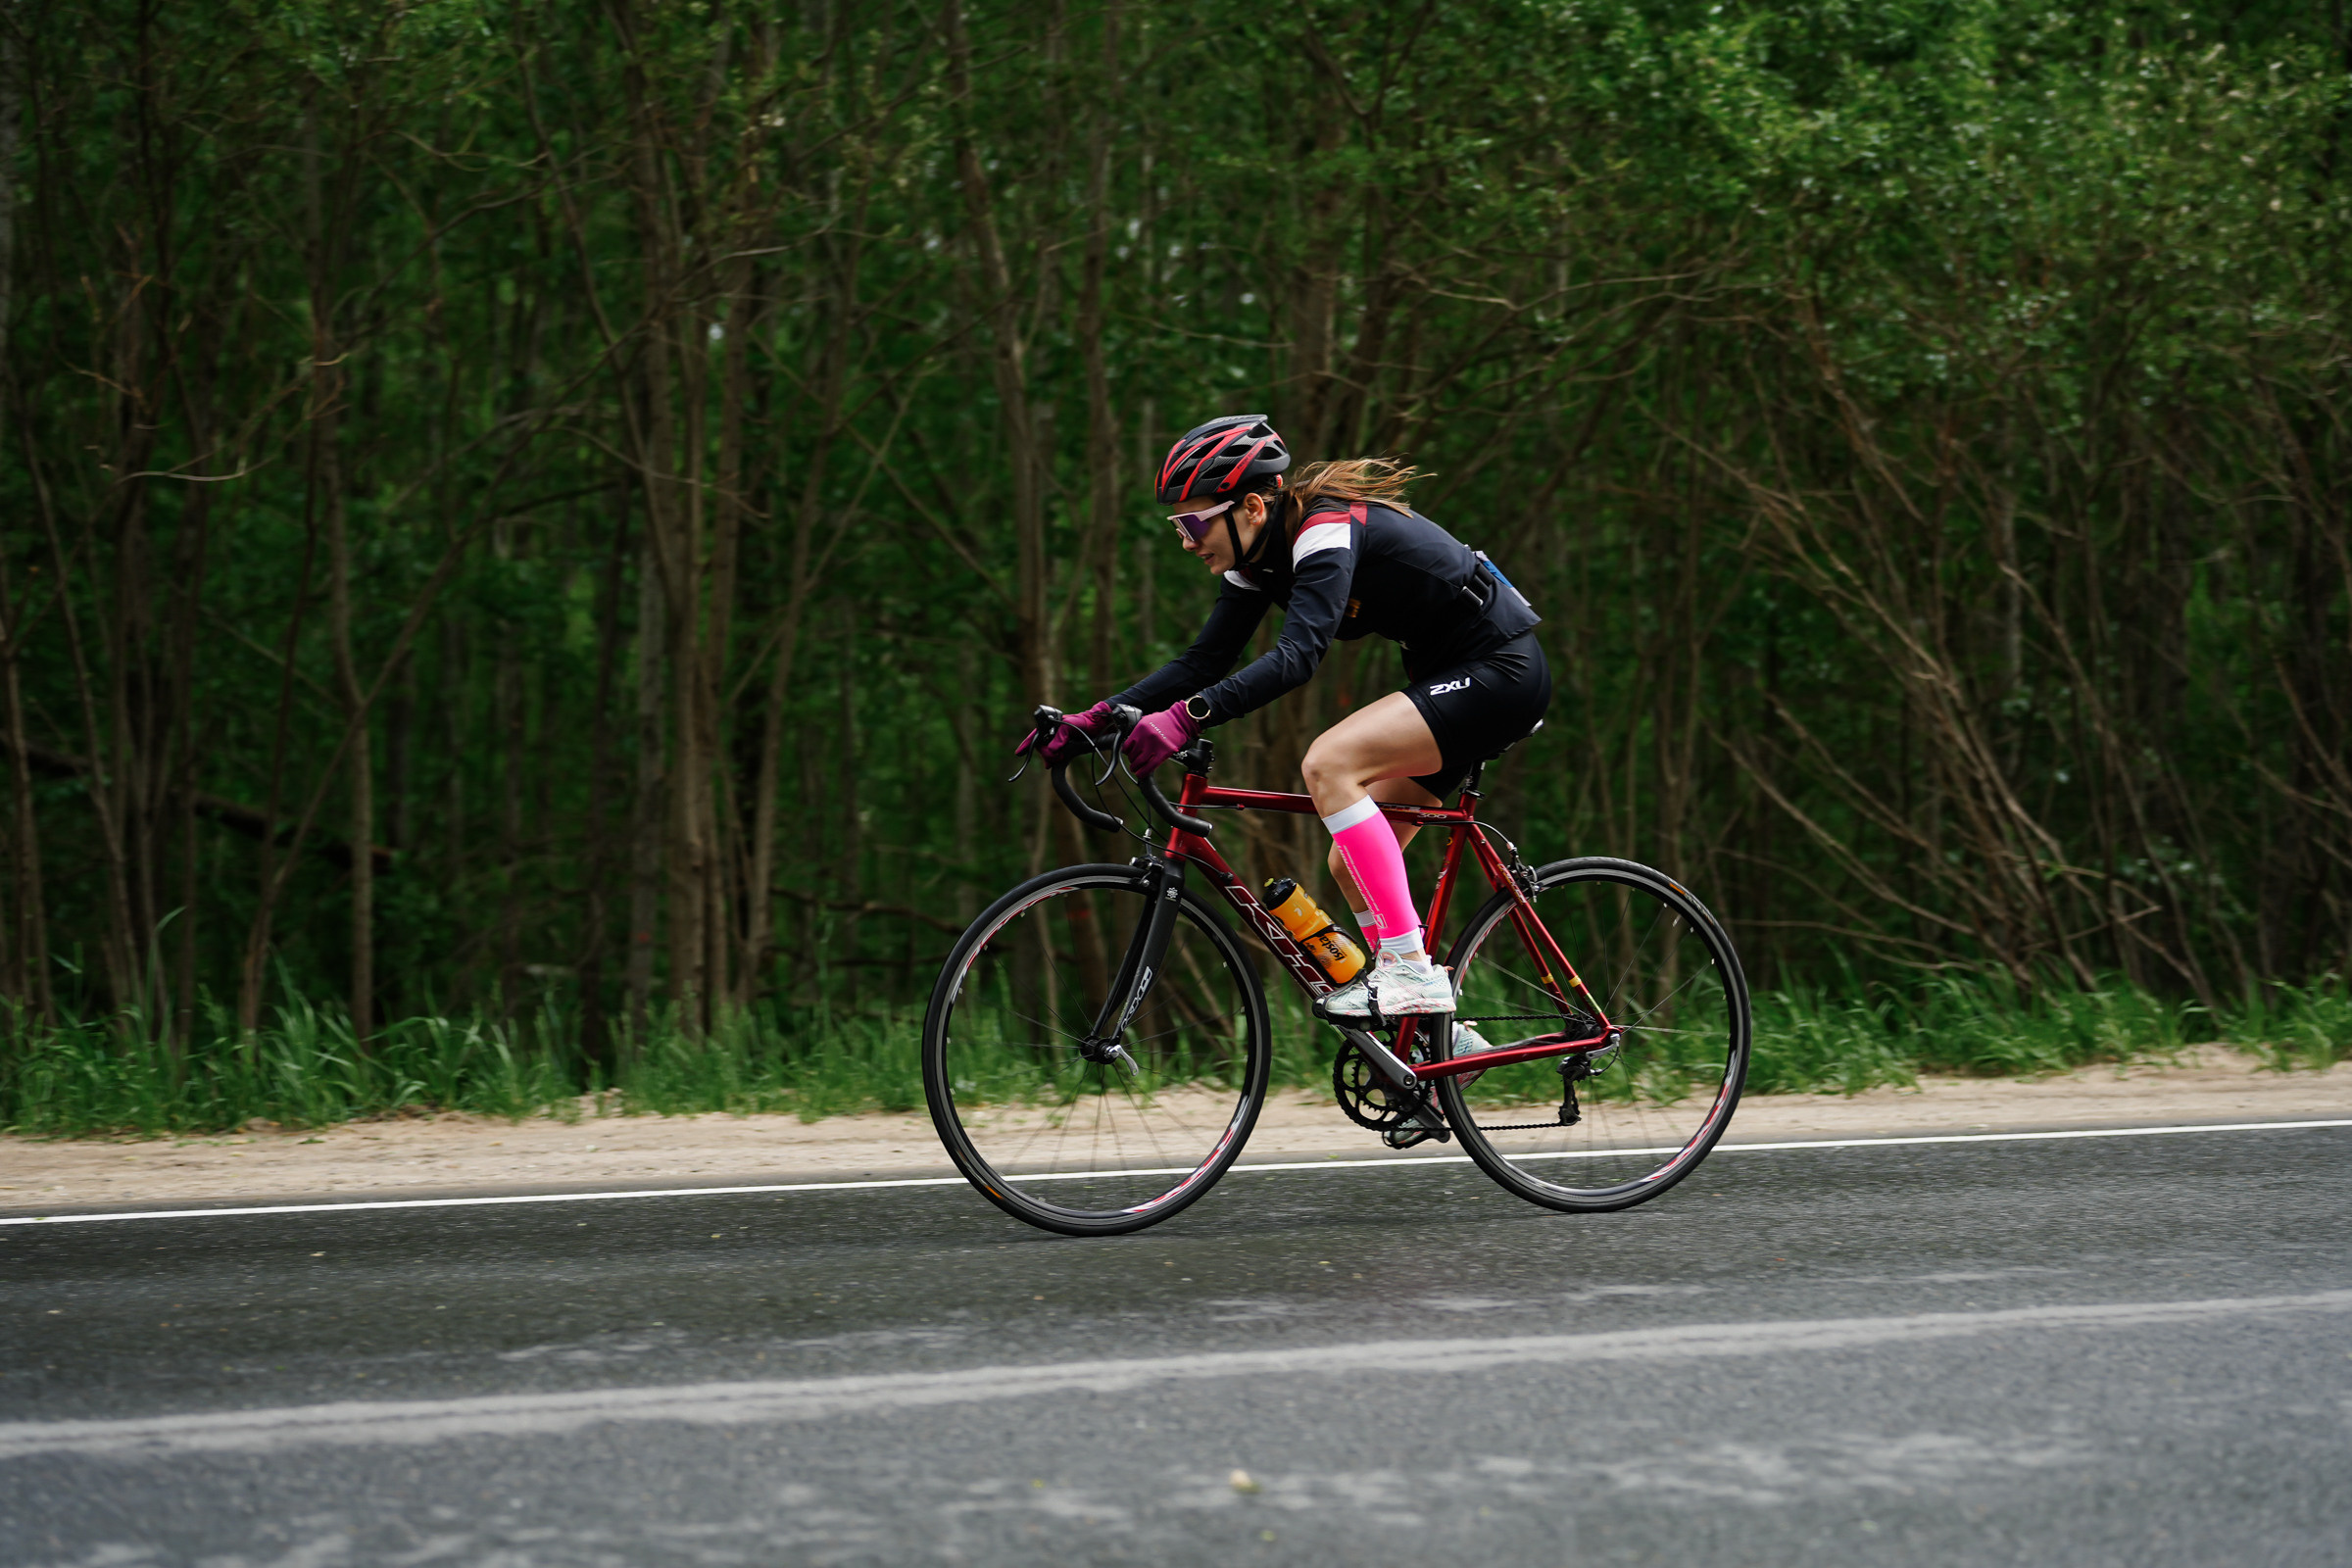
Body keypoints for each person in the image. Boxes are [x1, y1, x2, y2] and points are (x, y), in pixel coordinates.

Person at [1024, 413, 1551, 1023]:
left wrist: (1188, 718)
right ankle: (1432, 1046)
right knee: (1347, 865)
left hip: (1501, 671)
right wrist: (1100, 718)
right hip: (1451, 679)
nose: (1189, 542)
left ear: (1251, 507)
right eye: (1178, 527)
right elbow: (1205, 660)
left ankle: (1410, 970)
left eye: (1194, 523)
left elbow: (1298, 657)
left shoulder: (1324, 530)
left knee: (1330, 762)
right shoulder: (1256, 560)